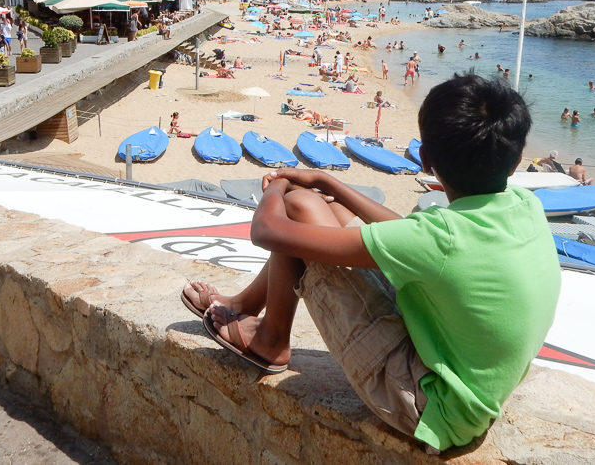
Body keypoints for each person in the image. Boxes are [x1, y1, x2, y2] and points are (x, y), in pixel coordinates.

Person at [181, 74, 560, 452]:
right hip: (464, 380)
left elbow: (267, 230)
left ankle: (270, 340)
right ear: (516, 162)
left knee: (298, 210)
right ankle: (244, 305)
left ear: (424, 159)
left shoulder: (440, 238)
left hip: (428, 405)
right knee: (329, 208)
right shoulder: (523, 207)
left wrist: (278, 186)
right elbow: (409, 233)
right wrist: (329, 185)